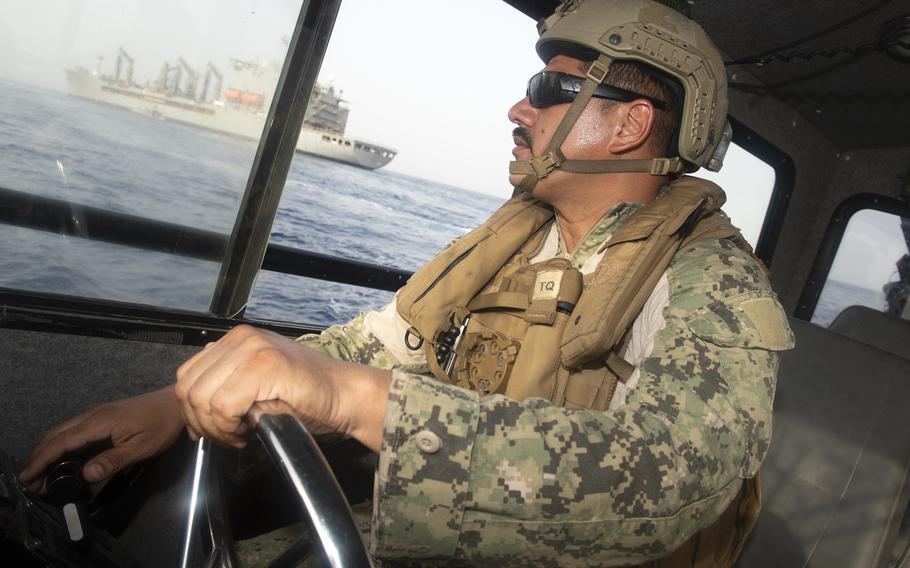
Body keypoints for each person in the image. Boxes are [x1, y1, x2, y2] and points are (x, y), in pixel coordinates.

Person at [21, 0, 794, 565]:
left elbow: (675, 481)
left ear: (628, 125)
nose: (518, 107)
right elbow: (376, 344)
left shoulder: (709, 280)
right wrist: (172, 407)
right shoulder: (516, 238)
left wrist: (355, 400)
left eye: (552, 89)